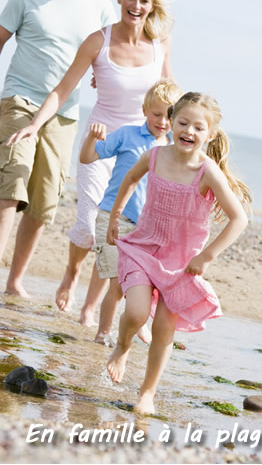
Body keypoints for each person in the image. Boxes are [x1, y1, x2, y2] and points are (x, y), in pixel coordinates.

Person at [6, 0, 175, 321]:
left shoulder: (160, 47)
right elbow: (63, 89)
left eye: (144, 0)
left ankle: (90, 307)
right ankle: (72, 271)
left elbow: (171, 99)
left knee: (115, 232)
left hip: (140, 152)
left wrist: (187, 143)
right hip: (99, 144)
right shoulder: (98, 41)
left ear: (151, 6)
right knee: (87, 226)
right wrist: (35, 124)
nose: (136, 5)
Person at [0, 0, 117, 302]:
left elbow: (107, 57)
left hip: (64, 113)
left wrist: (103, 79)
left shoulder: (102, 7)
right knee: (14, 179)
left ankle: (15, 280)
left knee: (45, 199)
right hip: (21, 98)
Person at [105, 91, 252, 415]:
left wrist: (206, 257)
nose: (189, 131)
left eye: (199, 127)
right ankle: (122, 345)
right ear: (170, 122)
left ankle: (147, 393)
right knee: (136, 313)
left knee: (163, 329)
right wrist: (115, 218)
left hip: (180, 264)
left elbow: (238, 218)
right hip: (144, 246)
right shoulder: (155, 156)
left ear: (210, 134)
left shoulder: (207, 171)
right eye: (183, 122)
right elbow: (129, 179)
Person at [79, 80, 182, 345]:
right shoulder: (126, 135)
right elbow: (87, 157)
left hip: (147, 227)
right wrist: (92, 137)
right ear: (145, 109)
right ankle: (103, 333)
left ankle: (137, 323)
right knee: (116, 282)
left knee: (141, 284)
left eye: (168, 116)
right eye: (156, 113)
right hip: (114, 218)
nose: (162, 121)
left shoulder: (172, 148)